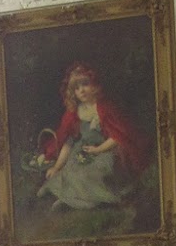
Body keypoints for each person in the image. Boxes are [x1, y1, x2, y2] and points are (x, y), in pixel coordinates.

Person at [35, 62, 150, 211]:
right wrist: (57, 166)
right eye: (76, 88)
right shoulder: (75, 112)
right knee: (70, 170)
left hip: (106, 149)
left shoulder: (105, 108)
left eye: (85, 84)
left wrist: (99, 149)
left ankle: (79, 200)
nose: (81, 90)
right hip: (83, 150)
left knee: (91, 173)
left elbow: (117, 135)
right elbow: (68, 141)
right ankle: (66, 196)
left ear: (94, 85)